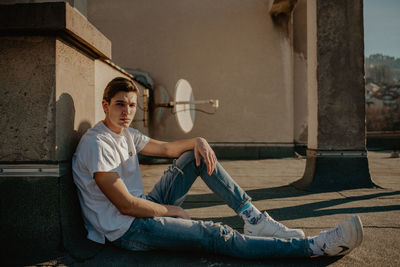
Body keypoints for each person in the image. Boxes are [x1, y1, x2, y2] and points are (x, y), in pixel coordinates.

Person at [72, 77, 364, 259]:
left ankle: (253, 217)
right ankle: (314, 247)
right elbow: (125, 205)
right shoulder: (97, 144)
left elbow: (167, 149)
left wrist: (198, 140)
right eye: (120, 105)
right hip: (127, 230)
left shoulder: (126, 134)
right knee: (215, 234)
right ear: (105, 105)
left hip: (143, 207)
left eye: (132, 106)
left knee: (193, 156)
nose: (126, 112)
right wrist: (171, 210)